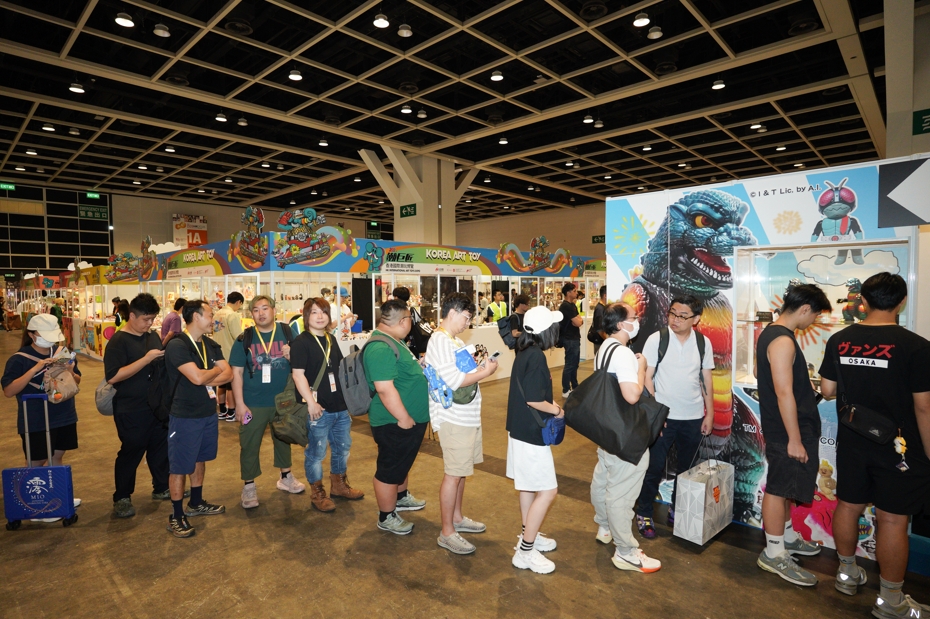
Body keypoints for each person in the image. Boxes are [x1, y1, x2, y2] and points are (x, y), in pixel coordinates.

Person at [818, 273, 930, 618]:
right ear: (901, 301)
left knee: (848, 505)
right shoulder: (916, 346)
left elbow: (827, 390)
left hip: (853, 440)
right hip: (899, 448)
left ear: (863, 301)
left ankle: (846, 574)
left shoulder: (840, 339)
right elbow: (924, 407)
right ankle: (890, 601)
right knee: (892, 520)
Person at [755, 283, 832, 584]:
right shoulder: (782, 340)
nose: (813, 321)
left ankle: (786, 537)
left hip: (787, 427)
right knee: (778, 488)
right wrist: (795, 439)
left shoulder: (772, 333)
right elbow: (783, 392)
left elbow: (766, 376)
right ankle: (774, 553)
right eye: (815, 315)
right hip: (787, 430)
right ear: (804, 309)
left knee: (786, 486)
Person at [635, 295, 715, 538]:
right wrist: (656, 413)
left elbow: (706, 379)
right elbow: (647, 376)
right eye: (672, 313)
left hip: (693, 416)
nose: (675, 319)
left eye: (682, 316)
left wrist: (709, 413)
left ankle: (676, 508)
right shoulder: (657, 339)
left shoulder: (703, 343)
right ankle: (644, 512)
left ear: (696, 319)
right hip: (664, 417)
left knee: (687, 470)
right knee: (654, 467)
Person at [590, 302, 661, 573]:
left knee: (603, 480)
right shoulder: (623, 354)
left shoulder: (605, 348)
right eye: (634, 317)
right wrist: (641, 367)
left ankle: (605, 527)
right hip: (626, 434)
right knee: (621, 492)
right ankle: (626, 551)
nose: (638, 320)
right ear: (621, 324)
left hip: (607, 430)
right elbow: (632, 395)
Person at [426, 293, 499, 555]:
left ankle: (456, 518)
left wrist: (479, 367)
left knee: (461, 471)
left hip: (466, 416)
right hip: (453, 417)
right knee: (454, 473)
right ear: (453, 312)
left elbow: (462, 374)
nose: (467, 323)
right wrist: (486, 372)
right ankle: (447, 532)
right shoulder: (440, 340)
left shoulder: (453, 341)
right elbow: (454, 381)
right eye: (466, 317)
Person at [229, 295, 305, 510]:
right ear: (251, 314)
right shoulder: (244, 339)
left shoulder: (288, 333)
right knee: (249, 443)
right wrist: (239, 404)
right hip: (253, 402)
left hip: (284, 400)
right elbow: (236, 373)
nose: (261, 313)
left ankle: (285, 477)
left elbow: (302, 365)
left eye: (265, 308)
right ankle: (249, 485)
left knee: (284, 437)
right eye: (256, 310)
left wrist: (292, 356)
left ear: (274, 310)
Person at [164, 300, 232, 538]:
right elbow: (197, 378)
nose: (213, 319)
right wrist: (213, 372)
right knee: (180, 465)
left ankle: (195, 502)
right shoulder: (177, 345)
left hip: (207, 413)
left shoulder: (210, 344)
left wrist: (207, 375)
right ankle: (176, 514)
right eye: (210, 315)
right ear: (196, 317)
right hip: (184, 415)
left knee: (200, 458)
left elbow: (229, 374)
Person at [2, 314, 82, 513]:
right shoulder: (19, 359)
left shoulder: (62, 352)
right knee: (36, 460)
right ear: (31, 334)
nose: (49, 340)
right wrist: (35, 369)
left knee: (57, 455)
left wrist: (70, 371)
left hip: (63, 413)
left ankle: (58, 496)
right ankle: (33, 503)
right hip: (36, 418)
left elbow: (77, 380)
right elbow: (9, 391)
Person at [291, 297, 364, 512]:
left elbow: (339, 371)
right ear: (306, 316)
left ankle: (339, 485)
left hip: (339, 406)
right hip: (318, 408)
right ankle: (317, 492)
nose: (320, 316)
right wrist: (311, 403)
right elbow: (298, 375)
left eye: (323, 312)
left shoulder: (331, 339)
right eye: (314, 312)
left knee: (342, 448)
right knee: (316, 453)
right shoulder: (301, 342)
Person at [506, 305, 564, 574]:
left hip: (520, 430)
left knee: (528, 487)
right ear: (546, 331)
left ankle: (528, 534)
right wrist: (557, 410)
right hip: (531, 434)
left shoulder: (525, 352)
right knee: (548, 491)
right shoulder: (537, 357)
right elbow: (533, 399)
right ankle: (526, 551)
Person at [364, 299, 430, 535]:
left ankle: (400, 497)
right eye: (410, 319)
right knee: (389, 468)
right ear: (403, 321)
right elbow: (384, 389)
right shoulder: (380, 348)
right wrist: (403, 418)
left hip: (406, 419)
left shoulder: (394, 341)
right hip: (393, 422)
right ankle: (386, 516)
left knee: (402, 462)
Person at [104, 293, 171, 518]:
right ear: (132, 316)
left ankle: (161, 487)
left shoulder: (152, 337)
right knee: (132, 451)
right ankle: (122, 497)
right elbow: (113, 377)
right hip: (131, 408)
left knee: (160, 449)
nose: (149, 323)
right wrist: (146, 359)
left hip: (157, 406)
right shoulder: (118, 342)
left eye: (152, 319)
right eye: (145, 319)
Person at [212, 292, 244, 422]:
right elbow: (239, 336)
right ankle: (231, 411)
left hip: (218, 354)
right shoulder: (232, 315)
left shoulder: (217, 314)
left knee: (221, 384)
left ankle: (222, 411)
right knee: (231, 383)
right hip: (230, 353)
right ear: (238, 302)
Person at [558, 283, 583, 398]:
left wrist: (578, 320)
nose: (576, 293)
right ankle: (566, 389)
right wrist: (577, 321)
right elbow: (577, 322)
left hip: (575, 338)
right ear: (568, 293)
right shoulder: (565, 306)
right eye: (574, 291)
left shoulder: (573, 305)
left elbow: (580, 320)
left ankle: (575, 386)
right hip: (569, 338)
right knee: (570, 364)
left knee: (575, 364)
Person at [591, 286, 608, 356]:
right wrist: (607, 340)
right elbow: (600, 329)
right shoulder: (600, 309)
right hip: (600, 342)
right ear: (605, 295)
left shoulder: (602, 307)